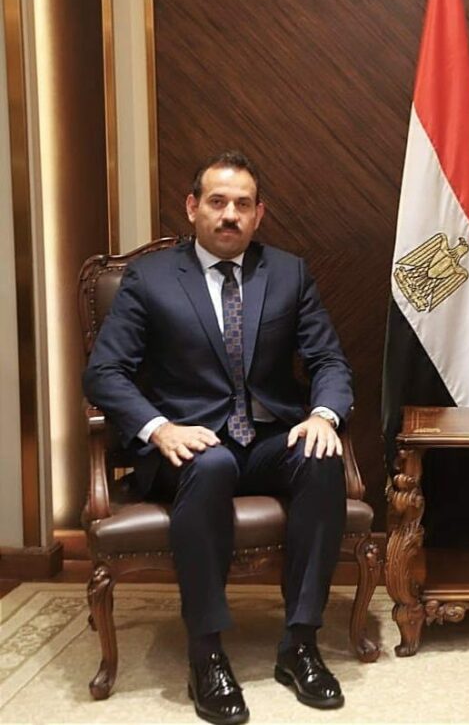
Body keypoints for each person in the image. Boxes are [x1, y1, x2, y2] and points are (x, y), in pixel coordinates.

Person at [84, 151, 352, 725]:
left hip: (266, 438)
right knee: (211, 465)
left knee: (319, 459)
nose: (230, 214)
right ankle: (206, 655)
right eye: (217, 201)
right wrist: (159, 429)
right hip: (187, 444)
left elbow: (328, 360)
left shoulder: (288, 273)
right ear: (192, 207)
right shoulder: (151, 278)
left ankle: (300, 643)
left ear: (259, 215)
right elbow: (104, 373)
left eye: (242, 204)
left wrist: (323, 415)